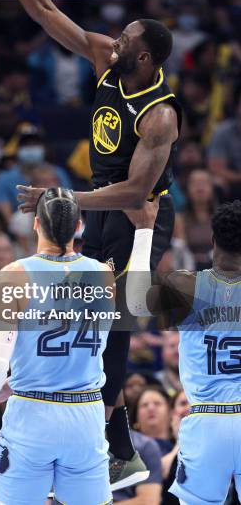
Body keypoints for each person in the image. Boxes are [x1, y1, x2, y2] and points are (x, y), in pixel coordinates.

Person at [0, 0, 182, 487]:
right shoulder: (105, 62)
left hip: (144, 215)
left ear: (143, 55)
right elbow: (44, 11)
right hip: (105, 204)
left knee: (118, 317)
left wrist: (63, 199)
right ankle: (110, 439)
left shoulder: (159, 115)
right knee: (95, 311)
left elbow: (137, 191)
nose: (114, 39)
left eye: (125, 37)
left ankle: (115, 444)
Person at [0, 188, 115, 505]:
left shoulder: (15, 275)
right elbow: (73, 354)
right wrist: (8, 387)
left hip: (33, 415)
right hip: (86, 414)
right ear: (79, 225)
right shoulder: (104, 275)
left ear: (36, 223)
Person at [125, 198, 241, 504]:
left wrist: (144, 230)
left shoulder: (186, 287)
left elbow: (134, 299)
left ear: (213, 240)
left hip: (207, 419)